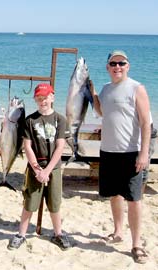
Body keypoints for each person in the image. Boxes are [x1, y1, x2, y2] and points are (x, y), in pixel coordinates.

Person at [90, 50, 150, 264]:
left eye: (121, 63)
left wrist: (144, 153)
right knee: (115, 195)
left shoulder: (136, 88)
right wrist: (92, 92)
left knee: (134, 199)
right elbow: (102, 111)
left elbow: (145, 123)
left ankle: (136, 244)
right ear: (107, 67)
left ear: (128, 65)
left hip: (131, 153)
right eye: (113, 63)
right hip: (108, 152)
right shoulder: (106, 90)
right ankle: (118, 232)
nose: (117, 67)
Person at [7, 83, 71, 251]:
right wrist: (36, 169)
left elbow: (60, 147)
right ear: (35, 100)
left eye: (45, 98)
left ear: (52, 97)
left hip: (54, 168)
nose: (42, 101)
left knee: (54, 203)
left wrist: (47, 171)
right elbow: (27, 147)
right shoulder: (30, 120)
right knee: (29, 203)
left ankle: (58, 234)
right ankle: (21, 234)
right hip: (35, 168)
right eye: (39, 98)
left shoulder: (60, 120)